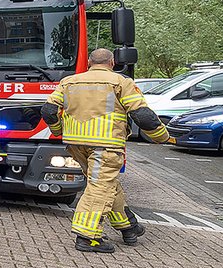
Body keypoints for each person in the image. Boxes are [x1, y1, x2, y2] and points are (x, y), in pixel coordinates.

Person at [41, 48, 173, 253]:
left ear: (89, 63)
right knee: (100, 187)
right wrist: (162, 137)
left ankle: (128, 226)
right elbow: (143, 116)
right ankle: (88, 237)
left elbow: (49, 111)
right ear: (112, 62)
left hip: (76, 144)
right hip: (105, 145)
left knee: (105, 184)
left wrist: (58, 131)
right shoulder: (121, 82)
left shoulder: (68, 82)